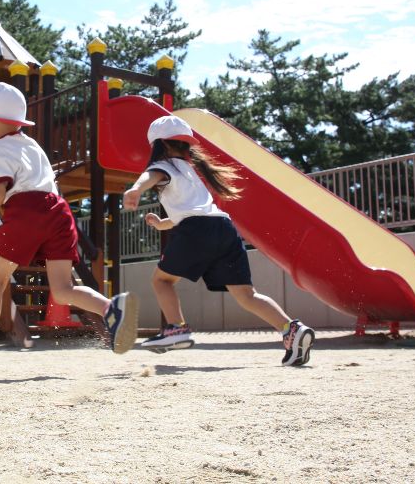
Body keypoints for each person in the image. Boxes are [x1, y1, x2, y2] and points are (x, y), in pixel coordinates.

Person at [0, 82, 139, 370]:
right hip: (58, 211)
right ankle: (110, 308)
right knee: (63, 288)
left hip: (26, 209)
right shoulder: (32, 146)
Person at [124, 115, 315, 366]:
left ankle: (176, 328)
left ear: (160, 145)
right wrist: (162, 224)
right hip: (224, 229)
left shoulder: (164, 166)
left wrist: (136, 189)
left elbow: (150, 177)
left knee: (161, 280)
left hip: (197, 229)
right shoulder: (190, 171)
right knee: (247, 295)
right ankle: (291, 329)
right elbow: (193, 212)